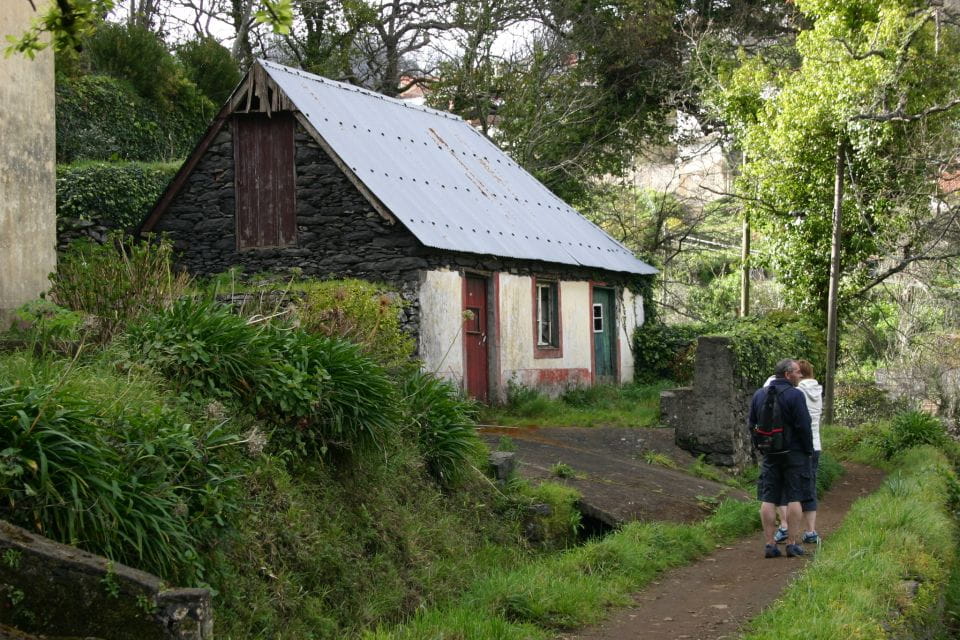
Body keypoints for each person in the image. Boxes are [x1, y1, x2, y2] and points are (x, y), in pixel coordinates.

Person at [749, 358, 814, 558]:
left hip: (770, 454)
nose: (800, 375)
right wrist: (807, 450)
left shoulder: (759, 394)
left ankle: (770, 544)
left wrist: (761, 449)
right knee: (795, 497)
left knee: (768, 498)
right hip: (793, 454)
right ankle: (792, 544)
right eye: (797, 372)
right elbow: (804, 425)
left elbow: (752, 425)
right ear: (787, 375)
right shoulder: (795, 396)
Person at [772, 359, 823, 544]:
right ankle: (811, 531)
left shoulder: (796, 393)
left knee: (787, 488)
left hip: (796, 446)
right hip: (815, 445)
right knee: (809, 488)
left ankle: (785, 527)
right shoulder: (818, 391)